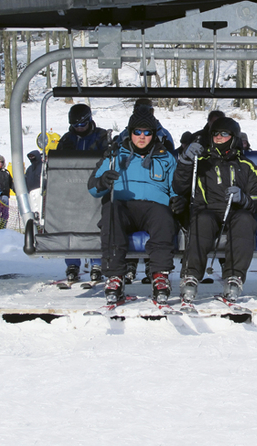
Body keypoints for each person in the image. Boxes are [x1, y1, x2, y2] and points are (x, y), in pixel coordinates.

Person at [88, 106, 183, 304]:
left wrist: (177, 199)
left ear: (154, 134)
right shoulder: (115, 155)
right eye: (137, 131)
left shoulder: (166, 157)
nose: (142, 137)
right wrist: (103, 182)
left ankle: (160, 275)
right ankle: (115, 276)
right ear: (130, 132)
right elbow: (93, 188)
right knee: (111, 211)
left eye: (147, 132)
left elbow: (175, 187)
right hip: (124, 206)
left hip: (154, 207)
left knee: (164, 217)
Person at [172, 116, 257, 302]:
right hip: (206, 209)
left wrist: (244, 199)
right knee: (201, 220)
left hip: (234, 210)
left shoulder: (246, 165)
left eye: (224, 134)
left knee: (245, 220)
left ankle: (234, 277)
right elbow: (179, 186)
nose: (219, 137)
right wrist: (186, 161)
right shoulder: (201, 161)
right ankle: (191, 276)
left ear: (234, 137)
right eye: (215, 133)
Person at [118, 98, 176, 284]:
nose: (141, 136)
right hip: (130, 194)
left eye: (147, 110)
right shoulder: (125, 134)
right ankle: (129, 263)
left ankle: (155, 265)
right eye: (139, 110)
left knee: (159, 217)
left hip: (154, 187)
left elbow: (170, 156)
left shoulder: (162, 134)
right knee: (120, 214)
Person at [57, 104, 110, 282]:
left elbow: (108, 158)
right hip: (71, 187)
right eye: (76, 126)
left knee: (95, 221)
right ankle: (72, 261)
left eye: (82, 125)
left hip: (95, 185)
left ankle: (97, 261)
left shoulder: (101, 136)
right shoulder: (67, 139)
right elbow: (57, 163)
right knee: (71, 222)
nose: (79, 128)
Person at [25, 150, 43, 217]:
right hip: (30, 193)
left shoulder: (42, 167)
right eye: (30, 157)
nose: (31, 158)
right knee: (33, 211)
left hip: (40, 192)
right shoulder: (29, 169)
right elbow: (25, 179)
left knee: (39, 211)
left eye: (33, 156)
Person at [0, 155, 14, 230]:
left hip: (5, 197)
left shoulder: (6, 172)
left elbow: (11, 184)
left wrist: (17, 191)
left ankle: (3, 227)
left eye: (1, 162)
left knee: (5, 214)